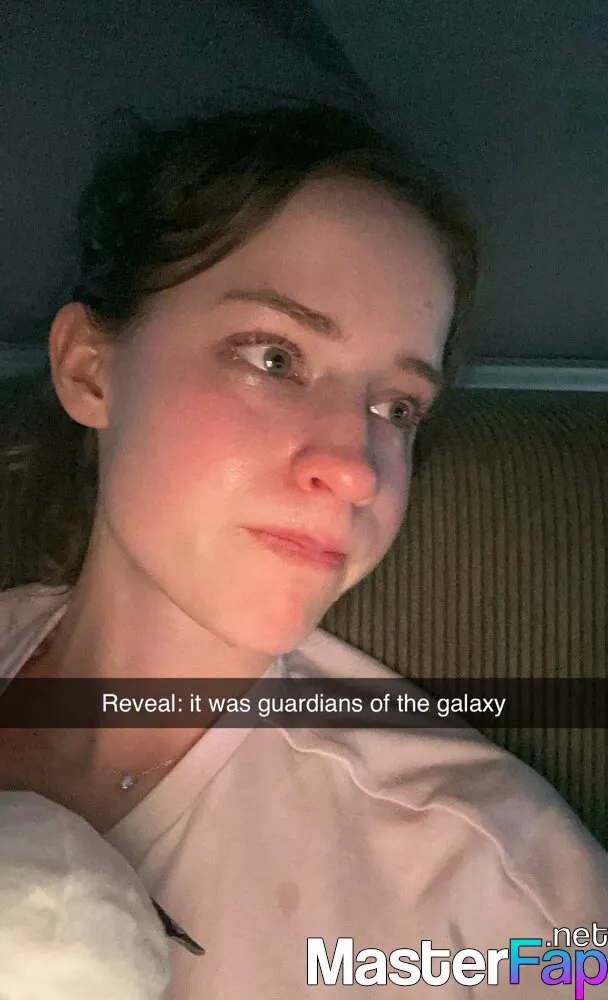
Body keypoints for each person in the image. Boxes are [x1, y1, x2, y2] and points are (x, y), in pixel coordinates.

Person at [0, 102, 606, 998]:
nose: (357, 469)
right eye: (275, 358)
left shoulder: (504, 892)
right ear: (91, 369)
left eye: (396, 408)